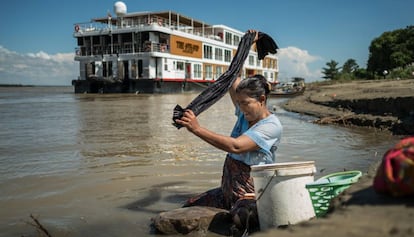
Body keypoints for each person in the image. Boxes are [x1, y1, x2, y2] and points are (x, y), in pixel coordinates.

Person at [175, 32, 282, 232]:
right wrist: (245, 45)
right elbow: (234, 77)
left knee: (243, 219)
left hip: (250, 192)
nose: (241, 108)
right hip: (228, 190)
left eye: (246, 103)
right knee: (189, 205)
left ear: (261, 100)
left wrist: (197, 129)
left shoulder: (271, 125)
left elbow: (236, 146)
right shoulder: (244, 114)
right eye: (239, 102)